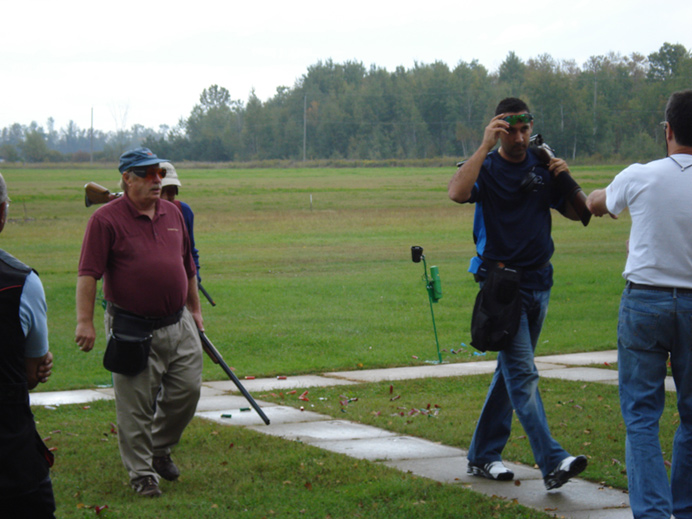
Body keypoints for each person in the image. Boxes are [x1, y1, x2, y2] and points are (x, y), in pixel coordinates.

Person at [448, 98, 588, 490]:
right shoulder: (487, 167)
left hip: (540, 283)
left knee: (509, 373)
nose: (521, 138)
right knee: (523, 374)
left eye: (525, 129)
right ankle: (553, 461)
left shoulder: (542, 166)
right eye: (511, 131)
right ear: (499, 130)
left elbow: (578, 214)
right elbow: (457, 192)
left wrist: (563, 175)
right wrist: (483, 146)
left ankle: (482, 454)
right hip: (502, 289)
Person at [586, 89, 692, 518]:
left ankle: (652, 513)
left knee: (642, 416)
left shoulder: (640, 175)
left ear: (667, 130)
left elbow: (597, 204)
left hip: (645, 302)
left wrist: (597, 196)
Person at [75, 147, 204, 497]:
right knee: (134, 407)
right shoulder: (104, 220)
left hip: (179, 322)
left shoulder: (174, 212)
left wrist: (195, 311)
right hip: (131, 326)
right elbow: (88, 274)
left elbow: (187, 267)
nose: (157, 180)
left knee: (188, 391)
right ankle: (142, 475)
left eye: (159, 173)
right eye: (147, 174)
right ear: (126, 178)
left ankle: (158, 448)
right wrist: (84, 321)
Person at [0, 172, 56, 517]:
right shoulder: (20, 282)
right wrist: (37, 366)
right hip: (10, 456)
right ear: (2, 213)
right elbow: (32, 374)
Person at [159, 162, 201, 281]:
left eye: (170, 191)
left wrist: (195, 278)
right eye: (160, 191)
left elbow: (190, 251)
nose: (165, 198)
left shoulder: (184, 211)